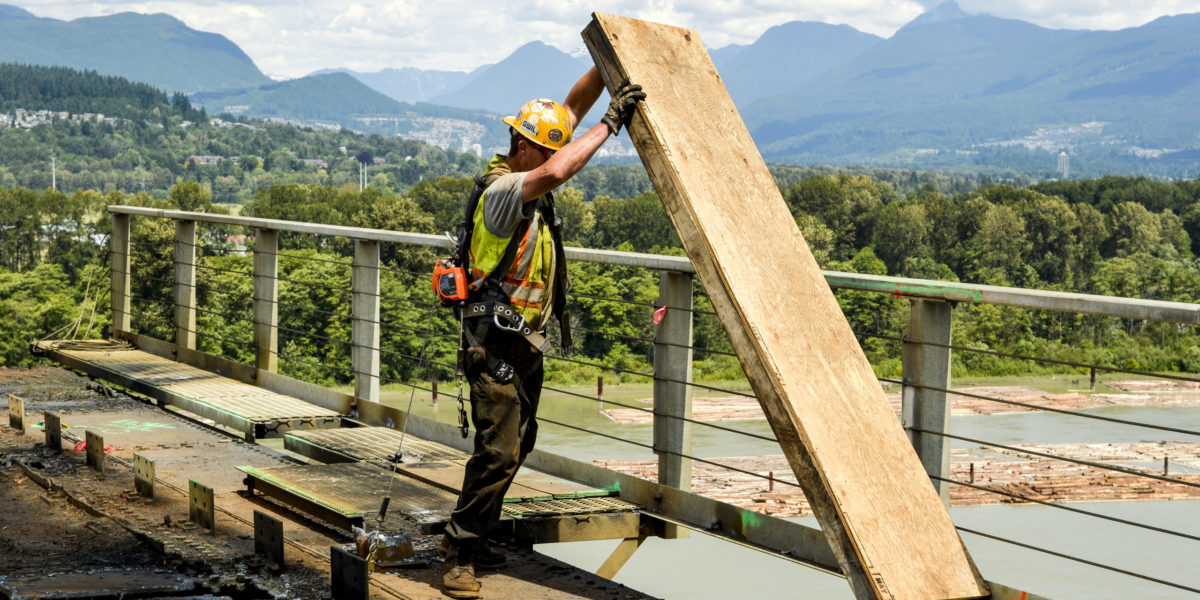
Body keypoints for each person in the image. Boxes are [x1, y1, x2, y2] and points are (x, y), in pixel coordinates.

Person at [439, 67, 645, 599]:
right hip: (496, 344)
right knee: (498, 451)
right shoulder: (506, 191)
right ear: (525, 148)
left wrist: (608, 65)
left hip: (524, 342)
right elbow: (558, 170)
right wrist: (611, 126)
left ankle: (476, 534)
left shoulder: (528, 157)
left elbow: (567, 115)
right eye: (548, 149)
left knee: (518, 442)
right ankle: (459, 551)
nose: (556, 154)